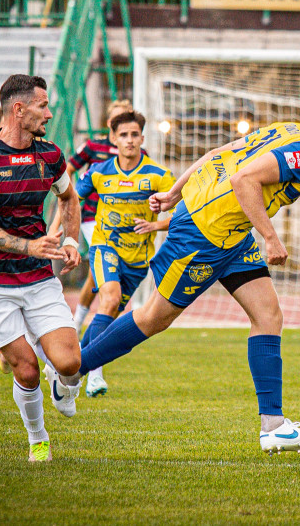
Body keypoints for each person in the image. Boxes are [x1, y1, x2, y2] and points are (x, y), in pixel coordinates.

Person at [51, 99, 300, 454]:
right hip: (204, 234)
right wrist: (271, 238)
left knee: (269, 315)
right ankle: (72, 370)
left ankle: (272, 425)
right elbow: (244, 180)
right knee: (153, 318)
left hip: (231, 234)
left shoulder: (297, 130)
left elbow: (220, 152)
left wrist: (174, 191)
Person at [0, 74, 84, 462]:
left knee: (70, 362)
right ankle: (38, 438)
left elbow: (70, 198)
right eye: (42, 106)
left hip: (36, 277)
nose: (48, 113)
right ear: (19, 109)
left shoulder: (49, 154)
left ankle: (64, 385)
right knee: (27, 370)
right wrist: (30, 245)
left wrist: (71, 241)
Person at [74, 110, 174, 398]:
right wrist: (63, 235)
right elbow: (71, 199)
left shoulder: (158, 176)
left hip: (138, 259)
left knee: (110, 313)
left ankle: (71, 362)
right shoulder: (98, 170)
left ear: (142, 138)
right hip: (104, 244)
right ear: (112, 138)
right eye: (123, 135)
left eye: (134, 135)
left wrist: (156, 223)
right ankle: (93, 374)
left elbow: (183, 214)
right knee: (111, 298)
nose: (129, 140)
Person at [51, 99, 134, 331]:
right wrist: (67, 198)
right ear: (110, 123)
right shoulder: (93, 147)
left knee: (103, 274)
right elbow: (68, 169)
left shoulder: (136, 152)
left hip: (123, 224)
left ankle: (87, 322)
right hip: (92, 219)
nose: (126, 127)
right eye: (120, 119)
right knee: (104, 270)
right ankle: (82, 323)